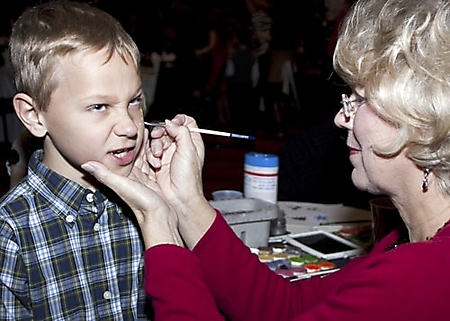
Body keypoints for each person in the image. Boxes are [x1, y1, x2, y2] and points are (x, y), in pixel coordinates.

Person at [82, 0, 450, 319]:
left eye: (359, 99)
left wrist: (158, 224)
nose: (342, 117)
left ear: (421, 118)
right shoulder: (405, 244)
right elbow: (284, 308)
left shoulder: (421, 274)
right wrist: (184, 200)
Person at [0, 1, 152, 319]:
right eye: (99, 107)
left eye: (134, 101)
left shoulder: (148, 199)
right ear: (33, 115)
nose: (129, 126)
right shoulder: (11, 231)